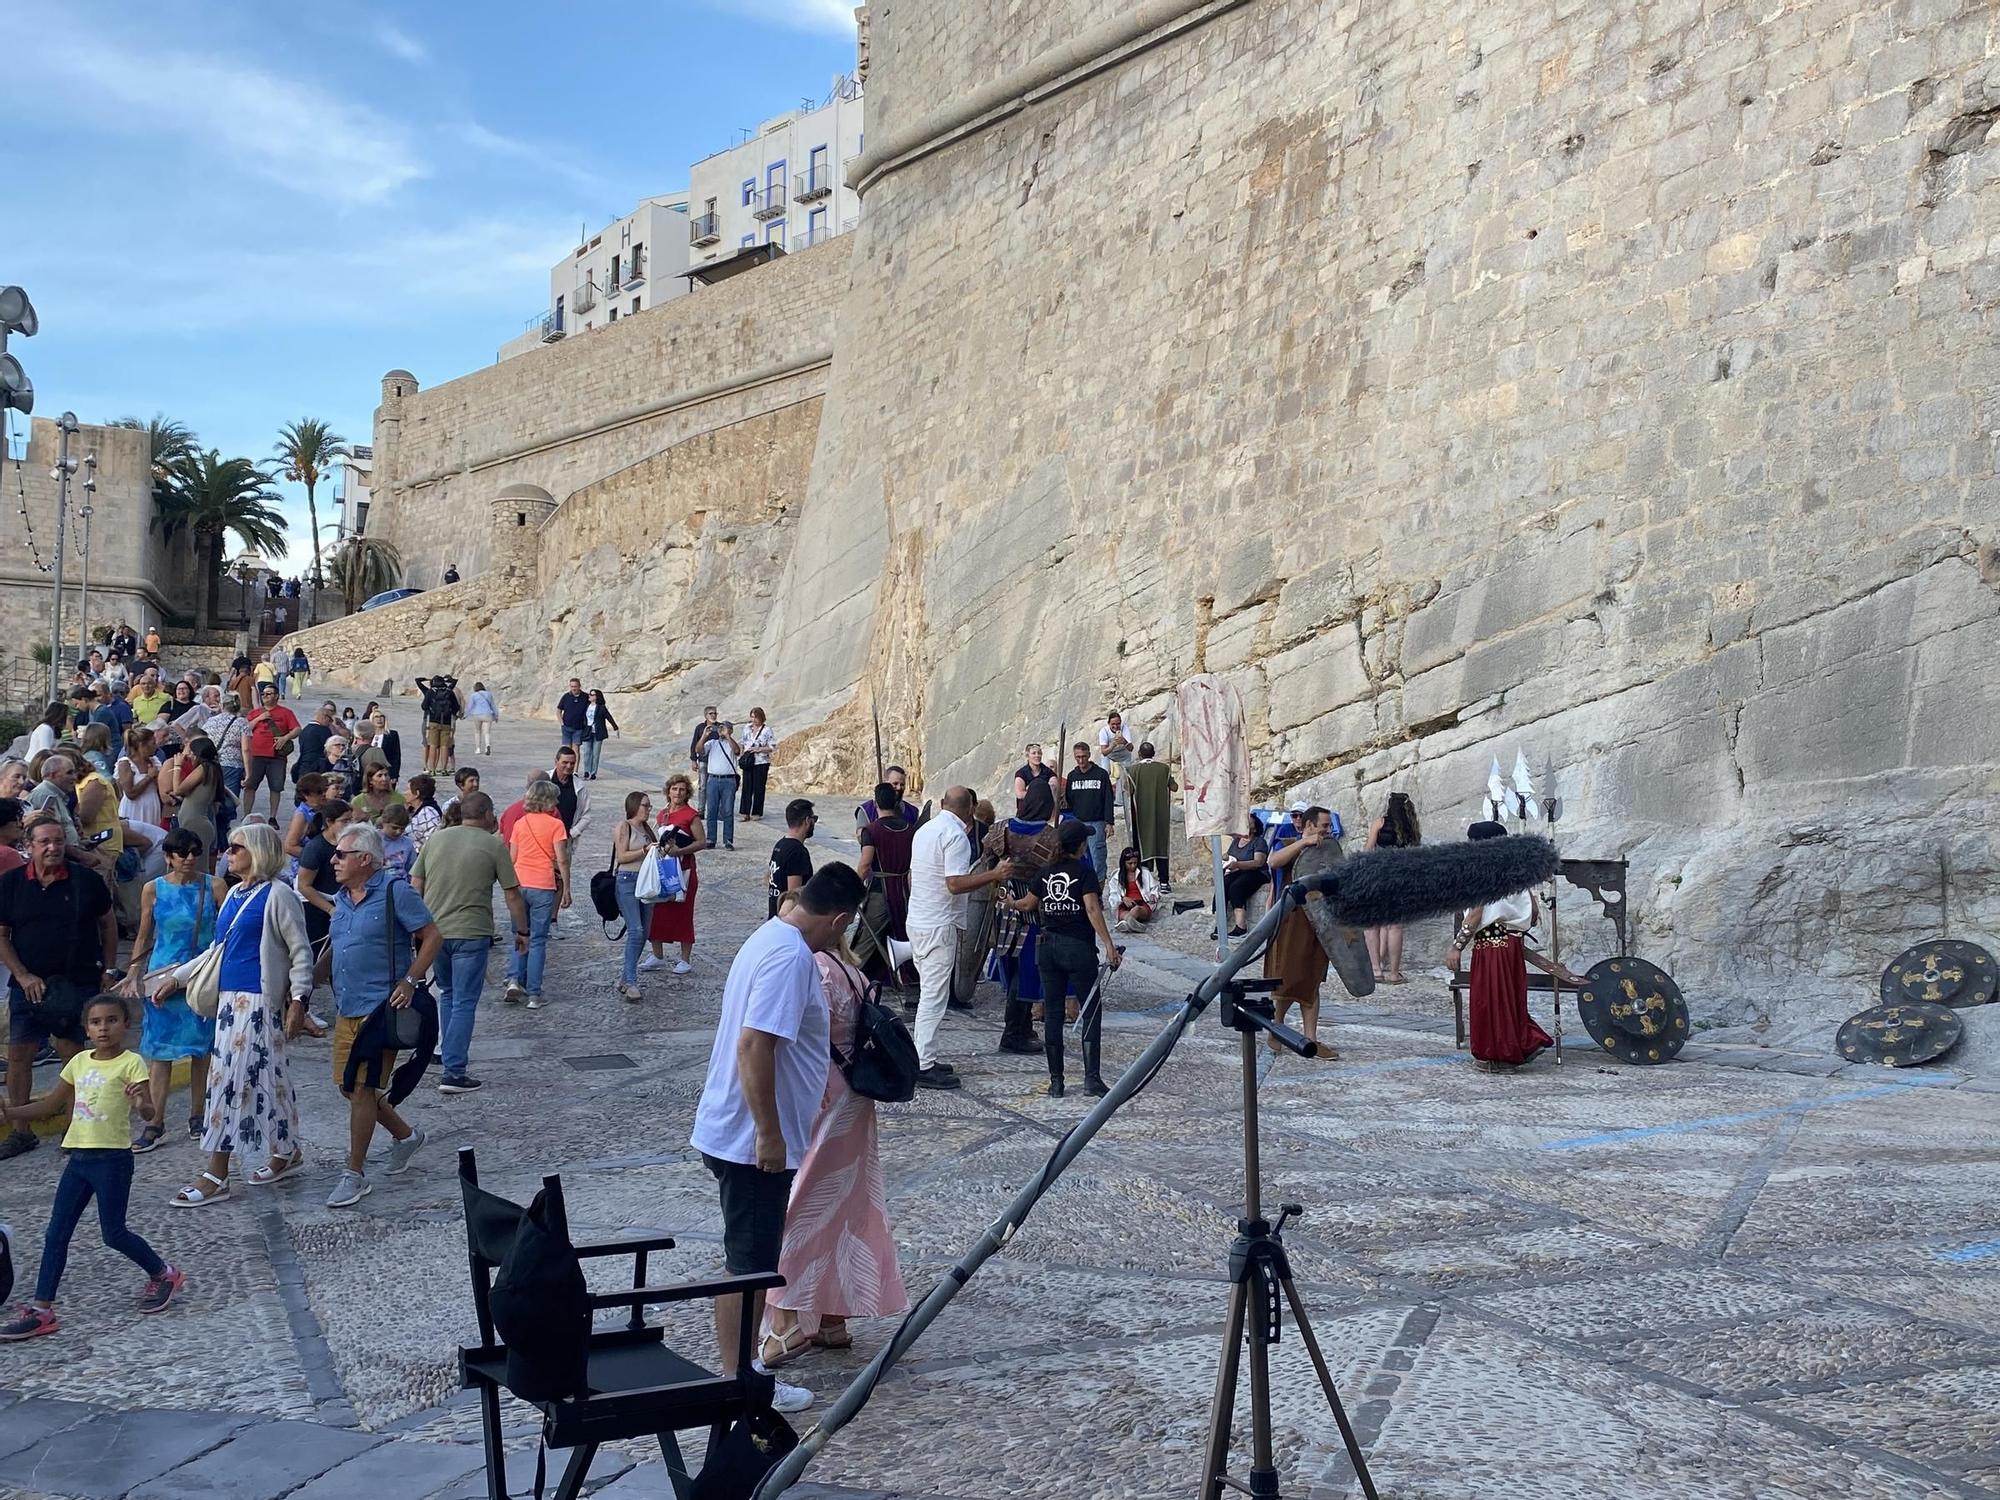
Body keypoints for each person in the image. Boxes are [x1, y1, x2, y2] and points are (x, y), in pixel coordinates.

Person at [690, 862, 866, 1413]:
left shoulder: (767, 936)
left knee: (749, 1259)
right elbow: (754, 1045)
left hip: (737, 1131)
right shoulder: (792, 958)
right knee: (750, 1265)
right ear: (839, 920)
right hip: (750, 1141)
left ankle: (741, 1372)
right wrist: (769, 1133)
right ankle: (741, 1380)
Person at [759, 897, 909, 1366]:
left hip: (820, 1095)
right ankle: (831, 1319)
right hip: (855, 1101)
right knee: (847, 1205)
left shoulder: (814, 972)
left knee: (801, 1203)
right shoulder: (855, 971)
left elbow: (794, 1038)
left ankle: (784, 1319)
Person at [0, 994, 183, 1339]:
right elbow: (51, 1105)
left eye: (112, 1021)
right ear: (86, 1028)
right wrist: (10, 1113)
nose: (103, 1028)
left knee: (113, 1233)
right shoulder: (79, 1063)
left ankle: (164, 1273)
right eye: (96, 1022)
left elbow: (148, 1112)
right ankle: (42, 1311)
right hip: (78, 1158)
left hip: (112, 1159)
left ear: (125, 1025)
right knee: (56, 1233)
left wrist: (141, 1102)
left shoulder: (131, 1063)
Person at [324, 823, 441, 1209]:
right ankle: (407, 1136)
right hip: (346, 1007)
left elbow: (432, 936)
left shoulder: (395, 892)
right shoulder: (340, 899)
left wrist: (410, 980)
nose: (334, 860)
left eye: (341, 854)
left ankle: (353, 1174)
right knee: (348, 1086)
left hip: (381, 1009)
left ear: (365, 859)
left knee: (361, 1090)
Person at [0, 817, 119, 1161]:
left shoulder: (85, 882)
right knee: (20, 1056)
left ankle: (73, 1129)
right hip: (29, 985)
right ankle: (21, 1132)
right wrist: (22, 975)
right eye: (44, 842)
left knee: (74, 1057)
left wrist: (109, 970)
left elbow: (108, 924)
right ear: (29, 846)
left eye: (57, 841)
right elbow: (2, 935)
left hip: (76, 983)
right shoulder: (11, 884)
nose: (52, 848)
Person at [411, 792, 527, 1095]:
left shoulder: (436, 840)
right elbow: (512, 894)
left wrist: (418, 927)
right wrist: (522, 931)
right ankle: (454, 1071)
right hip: (471, 932)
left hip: (435, 932)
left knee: (448, 995)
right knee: (463, 1001)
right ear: (487, 814)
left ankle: (446, 1057)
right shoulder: (493, 844)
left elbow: (416, 884)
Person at [117, 828, 224, 1149]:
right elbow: (144, 933)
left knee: (201, 1051)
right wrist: (134, 969)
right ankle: (155, 1121)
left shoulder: (214, 886)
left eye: (194, 851)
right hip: (162, 974)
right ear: (168, 857)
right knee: (159, 1053)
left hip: (200, 975)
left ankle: (198, 1114)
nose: (189, 858)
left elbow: (224, 932)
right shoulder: (154, 889)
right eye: (181, 853)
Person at [1446, 821, 1581, 1071]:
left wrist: (1457, 946)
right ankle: (1521, 1044)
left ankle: (1499, 1056)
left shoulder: (1485, 872)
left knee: (1491, 1001)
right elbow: (1533, 915)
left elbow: (1475, 913)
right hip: (1511, 946)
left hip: (1491, 946)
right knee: (1508, 999)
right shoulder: (1517, 873)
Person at [905, 787, 1015, 1092]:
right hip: (938, 926)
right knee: (933, 998)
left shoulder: (925, 830)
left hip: (919, 920)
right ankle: (923, 1064)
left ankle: (924, 1056)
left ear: (943, 805)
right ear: (970, 809)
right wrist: (995, 875)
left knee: (931, 993)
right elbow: (954, 884)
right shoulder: (955, 837)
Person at [1002, 820, 1122, 1097]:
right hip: (1078, 947)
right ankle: (1091, 1078)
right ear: (1080, 846)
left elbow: (1028, 904)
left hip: (1048, 947)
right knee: (1090, 1010)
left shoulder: (1045, 873)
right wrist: (1109, 945)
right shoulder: (1084, 872)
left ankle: (1056, 1082)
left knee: (1052, 1013)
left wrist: (1010, 903)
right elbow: (1092, 908)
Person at [984, 780, 1069, 1056]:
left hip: (1003, 910)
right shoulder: (1051, 837)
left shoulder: (1000, 829)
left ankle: (1021, 1027)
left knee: (1016, 969)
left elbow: (986, 859)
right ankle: (1013, 1032)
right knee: (1026, 974)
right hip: (1035, 914)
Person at [1263, 806, 1339, 1059]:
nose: (1328, 830)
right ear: (1309, 826)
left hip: (1318, 923)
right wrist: (1303, 843)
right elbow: (1273, 862)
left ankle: (1311, 1040)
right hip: (1291, 923)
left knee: (1312, 978)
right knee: (1289, 979)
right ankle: (1276, 1029)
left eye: (1329, 826)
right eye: (1324, 826)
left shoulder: (1329, 850)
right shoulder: (1287, 843)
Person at [502, 779, 569, 1010]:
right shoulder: (555, 825)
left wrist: (508, 887)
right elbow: (561, 858)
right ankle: (534, 994)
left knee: (520, 934)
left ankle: (513, 980)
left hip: (520, 884)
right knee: (539, 940)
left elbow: (512, 858)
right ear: (548, 800)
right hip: (543, 885)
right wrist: (567, 887)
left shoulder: (520, 823)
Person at [853, 782, 916, 983]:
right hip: (905, 892)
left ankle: (849, 978)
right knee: (904, 936)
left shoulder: (871, 830)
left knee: (865, 940)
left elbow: (864, 865)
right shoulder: (910, 830)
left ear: (875, 803)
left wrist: (852, 891)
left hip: (881, 892)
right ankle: (910, 984)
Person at [647, 774, 707, 974]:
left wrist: (679, 851)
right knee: (657, 911)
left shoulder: (691, 815)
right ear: (668, 791)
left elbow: (701, 842)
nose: (678, 793)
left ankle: (685, 959)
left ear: (687, 792)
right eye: (674, 789)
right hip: (665, 869)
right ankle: (657, 955)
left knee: (683, 913)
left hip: (684, 870)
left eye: (681, 789)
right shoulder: (662, 815)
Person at [1365, 792, 1421, 984]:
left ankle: (1376, 970)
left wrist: (1374, 832)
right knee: (1394, 927)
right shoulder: (1410, 829)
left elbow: (1368, 851)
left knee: (1372, 925)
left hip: (1377, 879)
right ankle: (1394, 973)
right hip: (1399, 881)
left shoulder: (1380, 823)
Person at [611, 791, 658, 1001]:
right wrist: (644, 850)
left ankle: (625, 977)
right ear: (634, 806)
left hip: (646, 882)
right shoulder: (624, 826)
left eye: (649, 806)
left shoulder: (648, 829)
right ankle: (630, 981)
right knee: (636, 930)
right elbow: (621, 856)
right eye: (645, 805)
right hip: (627, 880)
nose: (648, 809)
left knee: (645, 931)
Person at [242, 683, 300, 825]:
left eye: (268, 694)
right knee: (250, 786)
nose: (265, 696)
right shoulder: (255, 713)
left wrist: (285, 738)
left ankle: (273, 817)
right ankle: (246, 816)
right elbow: (244, 728)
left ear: (276, 696)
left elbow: (297, 729)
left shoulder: (286, 713)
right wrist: (259, 718)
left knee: (276, 787)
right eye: (263, 694)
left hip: (277, 757)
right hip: (256, 755)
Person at [1123, 741, 1177, 888]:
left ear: (1140, 754)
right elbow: (1174, 787)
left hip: (1141, 816)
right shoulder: (1164, 769)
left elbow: (1128, 791)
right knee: (1161, 847)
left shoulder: (1132, 771)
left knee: (1142, 846)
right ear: (1154, 753)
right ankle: (1164, 882)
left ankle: (1144, 882)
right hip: (1161, 816)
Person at [1063, 742, 1115, 877]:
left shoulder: (1101, 774)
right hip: (1077, 822)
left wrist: (1109, 822)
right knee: (1077, 857)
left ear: (1089, 755)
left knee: (1098, 857)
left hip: (1097, 822)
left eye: (1084, 756)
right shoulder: (1072, 776)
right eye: (1078, 757)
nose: (1081, 760)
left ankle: (1098, 890)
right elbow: (1069, 799)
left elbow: (1108, 798)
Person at [695, 711, 741, 850]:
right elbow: (699, 750)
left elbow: (737, 751)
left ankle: (728, 840)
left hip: (729, 780)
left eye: (725, 728)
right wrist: (704, 735)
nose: (721, 730)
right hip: (713, 779)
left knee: (727, 811)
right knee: (712, 810)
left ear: (731, 730)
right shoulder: (713, 743)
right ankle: (711, 839)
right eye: (720, 728)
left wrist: (727, 736)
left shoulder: (732, 743)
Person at [1220, 816, 1270, 936]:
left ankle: (1241, 927)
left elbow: (1258, 863)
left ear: (1254, 828)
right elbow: (1229, 855)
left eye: (1248, 823)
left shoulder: (1259, 842)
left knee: (1236, 887)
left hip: (1257, 873)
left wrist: (1237, 864)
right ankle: (1220, 923)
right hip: (1240, 871)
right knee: (1223, 884)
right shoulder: (1236, 841)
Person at [767, 799, 815, 918]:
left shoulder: (780, 844)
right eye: (814, 819)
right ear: (807, 821)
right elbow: (794, 895)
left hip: (774, 916)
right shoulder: (797, 852)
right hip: (787, 921)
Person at [115, 726, 165, 828]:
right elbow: (130, 793)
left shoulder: (154, 761)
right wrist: (149, 777)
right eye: (153, 743)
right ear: (142, 745)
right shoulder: (126, 763)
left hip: (152, 806)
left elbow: (161, 787)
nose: (156, 746)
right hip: (135, 808)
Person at [415, 674, 462, 775]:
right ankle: (444, 769)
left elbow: (424, 706)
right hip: (446, 722)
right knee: (444, 746)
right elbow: (456, 706)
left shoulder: (431, 692)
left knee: (433, 745)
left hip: (433, 721)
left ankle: (432, 769)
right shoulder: (449, 691)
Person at [1112, 846, 1164, 931]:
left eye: (1135, 863)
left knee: (1136, 910)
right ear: (1124, 863)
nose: (1133, 866)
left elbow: (1155, 888)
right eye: (1130, 863)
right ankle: (1132, 924)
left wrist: (1153, 895)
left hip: (1141, 905)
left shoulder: (1145, 873)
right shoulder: (1116, 877)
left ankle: (1126, 924)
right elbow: (1113, 895)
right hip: (1125, 905)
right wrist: (1123, 898)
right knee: (1123, 914)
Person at [738, 708, 776, 820]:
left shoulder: (767, 730)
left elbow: (772, 747)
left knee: (759, 788)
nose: (754, 720)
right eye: (752, 717)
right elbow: (742, 742)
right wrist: (742, 754)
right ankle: (745, 812)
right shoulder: (747, 728)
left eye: (756, 717)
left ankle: (757, 812)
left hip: (761, 761)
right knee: (746, 787)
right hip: (748, 760)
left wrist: (759, 749)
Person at [580, 690, 618, 780]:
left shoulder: (601, 707)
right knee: (586, 752)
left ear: (596, 697)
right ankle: (586, 771)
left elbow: (609, 717)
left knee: (595, 753)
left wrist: (615, 727)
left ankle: (593, 772)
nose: (589, 696)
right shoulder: (586, 706)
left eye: (592, 694)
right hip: (587, 731)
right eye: (589, 694)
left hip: (598, 732)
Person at [1013, 743, 1057, 816]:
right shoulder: (1021, 773)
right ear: (1028, 756)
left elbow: (1054, 787)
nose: (1037, 755)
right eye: (1034, 753)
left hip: (1045, 813)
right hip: (1026, 813)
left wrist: (1030, 791)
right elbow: (1020, 794)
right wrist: (1043, 792)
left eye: (1039, 753)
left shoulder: (1048, 772)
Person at [405, 774, 444, 851]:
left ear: (417, 793)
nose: (405, 792)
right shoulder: (412, 809)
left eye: (408, 789)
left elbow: (433, 840)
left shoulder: (428, 813)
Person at [377, 803, 416, 877]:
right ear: (384, 822)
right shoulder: (373, 839)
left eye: (402, 829)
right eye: (394, 828)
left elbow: (411, 868)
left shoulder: (407, 843)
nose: (398, 832)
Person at [466, 682, 498, 757]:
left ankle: (478, 748)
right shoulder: (488, 694)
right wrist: (496, 715)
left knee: (477, 731)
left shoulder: (473, 695)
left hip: (477, 714)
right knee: (487, 732)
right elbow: (493, 705)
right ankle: (487, 746)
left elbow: (470, 706)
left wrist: (466, 714)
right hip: (487, 714)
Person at [370, 710, 402, 784]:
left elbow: (396, 756)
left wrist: (394, 775)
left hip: (386, 773)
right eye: (376, 717)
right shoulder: (368, 735)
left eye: (381, 716)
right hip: (370, 773)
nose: (379, 719)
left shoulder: (392, 735)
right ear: (372, 719)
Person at [556, 678, 589, 750]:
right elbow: (558, 710)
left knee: (576, 749)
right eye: (572, 686)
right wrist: (562, 724)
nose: (573, 688)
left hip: (579, 727)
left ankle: (576, 762)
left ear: (579, 686)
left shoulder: (585, 697)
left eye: (575, 686)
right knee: (567, 749)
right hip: (566, 727)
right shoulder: (566, 696)